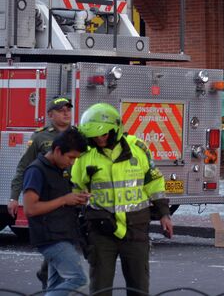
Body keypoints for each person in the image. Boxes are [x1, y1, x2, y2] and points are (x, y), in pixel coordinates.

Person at [71, 103, 174, 296]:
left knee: (139, 288)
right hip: (101, 230)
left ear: (116, 129)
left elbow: (154, 183)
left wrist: (164, 214)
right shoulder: (85, 156)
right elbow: (75, 188)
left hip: (135, 229)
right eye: (95, 136)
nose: (99, 139)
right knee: (100, 289)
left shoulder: (138, 149)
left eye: (104, 134)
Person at [8, 95, 74, 289]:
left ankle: (48, 273)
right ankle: (49, 277)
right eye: (61, 110)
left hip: (71, 195)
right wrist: (14, 197)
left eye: (68, 109)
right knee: (57, 238)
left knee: (65, 238)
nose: (66, 113)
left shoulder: (78, 135)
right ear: (50, 115)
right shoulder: (40, 137)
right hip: (48, 198)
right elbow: (23, 167)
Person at [23, 128, 90, 295]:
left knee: (55, 285)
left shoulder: (60, 170)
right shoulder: (36, 171)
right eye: (71, 157)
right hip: (51, 238)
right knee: (79, 279)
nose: (73, 162)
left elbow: (61, 199)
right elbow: (30, 208)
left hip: (64, 234)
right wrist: (64, 200)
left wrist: (76, 199)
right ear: (58, 150)